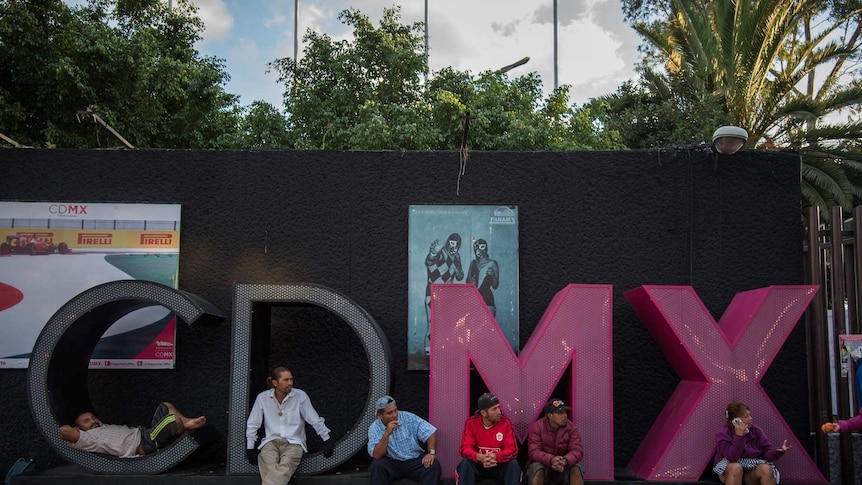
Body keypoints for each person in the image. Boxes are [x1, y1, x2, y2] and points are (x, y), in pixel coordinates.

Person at [246, 367, 334, 485]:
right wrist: (250, 447)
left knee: (285, 467)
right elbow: (253, 423)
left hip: (294, 442)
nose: (290, 383)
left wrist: (326, 438)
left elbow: (313, 418)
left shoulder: (300, 396)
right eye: (286, 380)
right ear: (275, 383)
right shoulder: (262, 398)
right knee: (268, 463)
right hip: (270, 442)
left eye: (291, 379)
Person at [58, 402, 206, 457]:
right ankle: (185, 426)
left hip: (145, 433)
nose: (93, 421)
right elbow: (64, 431)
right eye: (86, 421)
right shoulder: (87, 439)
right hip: (145, 443)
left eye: (93, 417)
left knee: (165, 406)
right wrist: (77, 431)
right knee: (171, 420)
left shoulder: (102, 427)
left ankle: (185, 424)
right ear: (78, 428)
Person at [367, 395, 441, 485]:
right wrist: (387, 434)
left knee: (433, 465)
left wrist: (431, 453)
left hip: (414, 459)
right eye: (389, 413)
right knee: (377, 466)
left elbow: (430, 432)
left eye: (395, 410)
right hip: (392, 462)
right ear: (380, 415)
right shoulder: (374, 427)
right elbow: (377, 455)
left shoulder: (408, 417)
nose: (394, 415)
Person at [713, 400, 790, 485]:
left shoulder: (756, 431)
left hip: (750, 472)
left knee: (766, 469)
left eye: (750, 415)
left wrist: (778, 452)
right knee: (736, 467)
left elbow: (766, 452)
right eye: (746, 416)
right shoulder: (723, 434)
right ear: (736, 420)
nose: (751, 418)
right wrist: (739, 436)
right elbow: (732, 458)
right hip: (730, 471)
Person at [456, 392, 520, 485]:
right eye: (494, 409)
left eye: (498, 407)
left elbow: (512, 450)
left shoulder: (505, 423)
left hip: (498, 465)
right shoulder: (471, 423)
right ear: (483, 413)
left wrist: (495, 456)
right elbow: (465, 449)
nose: (499, 412)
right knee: (465, 463)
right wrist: (479, 457)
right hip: (479, 465)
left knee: (513, 464)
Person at [526, 399, 584, 485]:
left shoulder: (572, 428)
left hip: (564, 464)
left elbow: (577, 450)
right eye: (560, 413)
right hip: (543, 464)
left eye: (565, 412)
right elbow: (534, 452)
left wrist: (565, 460)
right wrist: (551, 459)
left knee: (576, 469)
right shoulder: (537, 427)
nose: (564, 415)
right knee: (537, 469)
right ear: (550, 415)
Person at [423, 233, 464, 354]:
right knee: (432, 323)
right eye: (451, 243)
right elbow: (429, 262)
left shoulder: (457, 257)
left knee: (447, 325)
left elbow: (460, 276)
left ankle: (444, 351)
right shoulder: (441, 253)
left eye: (456, 244)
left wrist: (459, 273)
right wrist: (433, 253)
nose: (453, 246)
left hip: (448, 295)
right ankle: (428, 353)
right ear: (447, 242)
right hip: (433, 293)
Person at [466, 238, 499, 317]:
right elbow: (467, 281)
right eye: (477, 247)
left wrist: (493, 275)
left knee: (489, 325)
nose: (479, 250)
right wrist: (470, 281)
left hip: (487, 298)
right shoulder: (473, 263)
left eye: (482, 247)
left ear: (486, 248)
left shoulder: (492, 263)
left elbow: (495, 286)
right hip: (474, 298)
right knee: (474, 325)